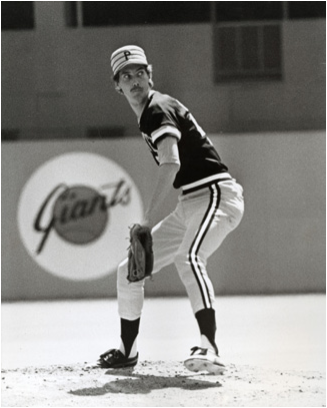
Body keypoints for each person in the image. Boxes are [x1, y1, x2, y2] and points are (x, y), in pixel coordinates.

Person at [98, 45, 244, 374]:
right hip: (190, 202)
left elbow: (171, 163)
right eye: (125, 76)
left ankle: (210, 346)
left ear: (150, 76)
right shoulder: (150, 112)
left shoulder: (157, 108)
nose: (134, 80)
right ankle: (127, 350)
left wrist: (147, 222)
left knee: (189, 257)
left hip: (215, 194)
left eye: (139, 73)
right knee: (129, 271)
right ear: (116, 85)